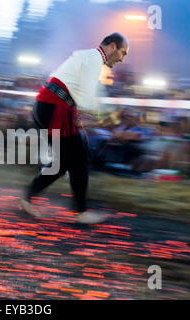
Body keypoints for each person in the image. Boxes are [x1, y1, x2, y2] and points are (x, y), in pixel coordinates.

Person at [20, 32, 129, 224]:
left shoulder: (88, 58)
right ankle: (81, 212)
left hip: (49, 107)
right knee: (79, 157)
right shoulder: (94, 60)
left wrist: (105, 121)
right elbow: (87, 104)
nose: (122, 58)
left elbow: (85, 105)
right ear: (112, 46)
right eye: (122, 52)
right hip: (55, 109)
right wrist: (109, 123)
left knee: (63, 163)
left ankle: (28, 198)